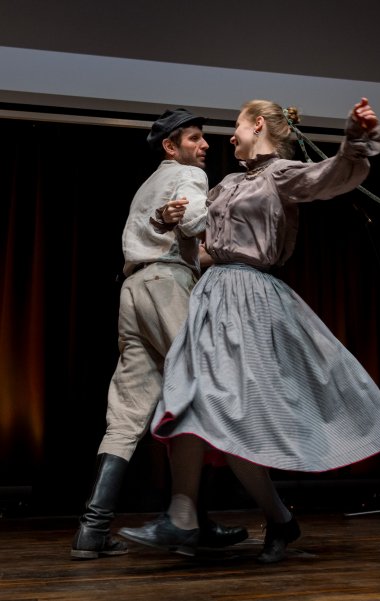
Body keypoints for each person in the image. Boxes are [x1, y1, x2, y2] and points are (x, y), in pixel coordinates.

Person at [119, 97, 380, 563]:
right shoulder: (228, 182)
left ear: (257, 125)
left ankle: (241, 516)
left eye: (235, 126)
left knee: (225, 409)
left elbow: (333, 177)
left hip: (251, 299)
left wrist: (356, 142)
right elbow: (207, 245)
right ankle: (189, 515)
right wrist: (166, 222)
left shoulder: (281, 174)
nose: (229, 137)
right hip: (212, 294)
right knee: (190, 398)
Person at [71, 109, 248, 559]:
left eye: (203, 139)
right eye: (194, 139)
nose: (204, 145)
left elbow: (176, 242)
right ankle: (190, 522)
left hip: (133, 289)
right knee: (201, 392)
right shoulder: (189, 176)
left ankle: (91, 532)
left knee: (127, 413)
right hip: (166, 286)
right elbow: (190, 227)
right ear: (172, 147)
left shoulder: (148, 183)